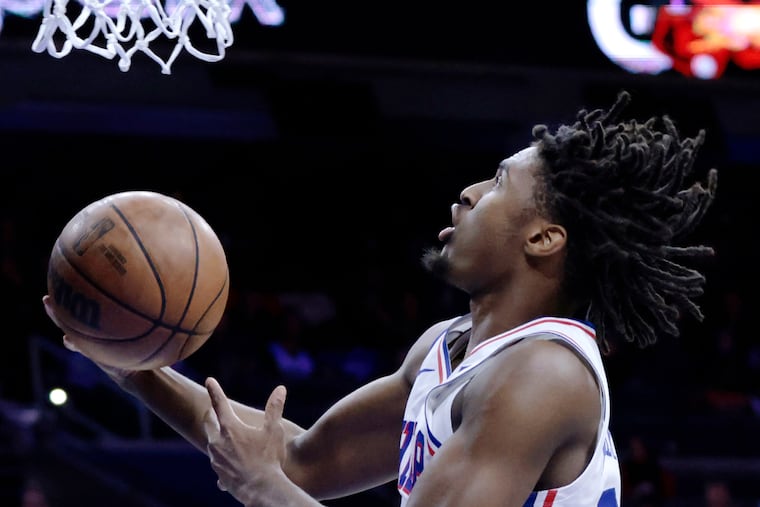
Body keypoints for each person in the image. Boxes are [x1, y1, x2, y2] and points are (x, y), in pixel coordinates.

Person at [42, 90, 718, 507]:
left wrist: (261, 487)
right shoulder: (447, 346)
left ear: (543, 237)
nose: (470, 192)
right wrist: (137, 372)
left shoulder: (543, 375)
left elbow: (273, 477)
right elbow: (303, 459)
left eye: (499, 181)